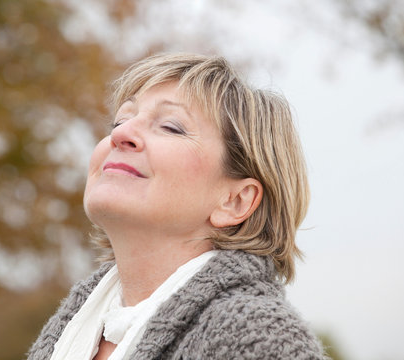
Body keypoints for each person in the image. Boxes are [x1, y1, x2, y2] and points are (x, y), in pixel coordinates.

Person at [27, 53, 326, 360]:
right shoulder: (76, 324)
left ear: (235, 201)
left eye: (171, 127)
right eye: (121, 120)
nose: (120, 134)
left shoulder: (264, 341)